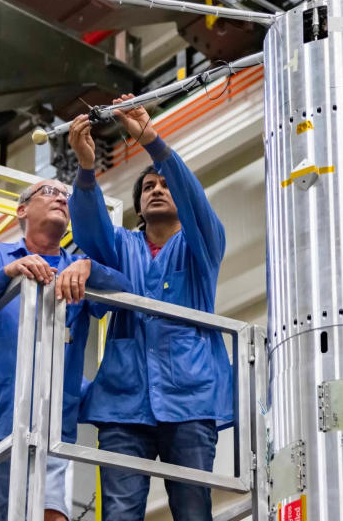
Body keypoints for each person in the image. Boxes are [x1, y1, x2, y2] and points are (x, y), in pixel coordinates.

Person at [67, 95, 232, 521]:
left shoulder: (202, 246)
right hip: (123, 401)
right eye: (147, 187)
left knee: (194, 512)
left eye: (164, 184)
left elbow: (197, 205)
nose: (157, 189)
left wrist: (154, 142)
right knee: (119, 513)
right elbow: (89, 230)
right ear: (138, 206)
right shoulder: (122, 246)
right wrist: (86, 169)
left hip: (191, 400)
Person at [0, 178, 130, 521]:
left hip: (51, 423)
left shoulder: (77, 269)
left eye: (66, 195)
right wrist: (5, 275)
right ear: (22, 210)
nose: (61, 198)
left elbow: (125, 290)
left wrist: (91, 267)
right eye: (49, 192)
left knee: (52, 515)